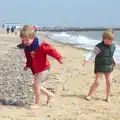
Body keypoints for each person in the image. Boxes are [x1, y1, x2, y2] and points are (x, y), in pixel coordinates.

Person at [20, 25, 63, 108]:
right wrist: (28, 65)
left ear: (33, 37)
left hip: (44, 68)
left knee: (36, 85)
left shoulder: (40, 44)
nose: (25, 42)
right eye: (23, 40)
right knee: (35, 85)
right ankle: (49, 95)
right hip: (37, 68)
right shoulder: (27, 47)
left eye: (27, 40)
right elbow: (29, 57)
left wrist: (59, 58)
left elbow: (51, 50)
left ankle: (37, 103)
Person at [83, 29, 116, 102]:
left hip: (109, 66)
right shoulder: (99, 46)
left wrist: (114, 60)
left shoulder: (113, 46)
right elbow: (92, 53)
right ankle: (89, 95)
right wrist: (86, 59)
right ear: (103, 39)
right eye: (106, 40)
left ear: (112, 40)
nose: (107, 42)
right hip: (100, 66)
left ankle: (108, 97)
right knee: (97, 82)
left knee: (109, 82)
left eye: (109, 41)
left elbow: (111, 55)